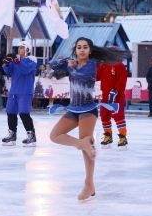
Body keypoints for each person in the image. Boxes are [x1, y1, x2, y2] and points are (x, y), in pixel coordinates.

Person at [49, 37, 130, 200]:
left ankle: (89, 184)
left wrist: (71, 66)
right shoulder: (71, 63)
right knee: (54, 136)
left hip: (88, 110)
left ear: (90, 50)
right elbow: (53, 66)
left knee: (87, 149)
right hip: (73, 109)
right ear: (75, 50)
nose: (82, 50)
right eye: (79, 47)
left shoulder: (93, 64)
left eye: (85, 47)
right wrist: (66, 61)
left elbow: (83, 74)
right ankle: (82, 144)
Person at [1, 41, 37, 146]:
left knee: (24, 113)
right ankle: (12, 135)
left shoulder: (32, 59)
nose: (19, 49)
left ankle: (31, 136)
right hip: (14, 91)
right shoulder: (16, 60)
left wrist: (16, 61)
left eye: (22, 47)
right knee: (10, 112)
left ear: (27, 49)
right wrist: (5, 63)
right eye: (18, 47)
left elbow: (25, 70)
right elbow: (8, 71)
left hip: (25, 91)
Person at [96, 60, 129, 149]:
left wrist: (116, 90)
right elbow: (97, 76)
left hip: (117, 95)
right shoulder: (103, 64)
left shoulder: (119, 65)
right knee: (104, 115)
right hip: (105, 95)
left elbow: (123, 79)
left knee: (118, 116)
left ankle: (123, 137)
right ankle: (108, 135)